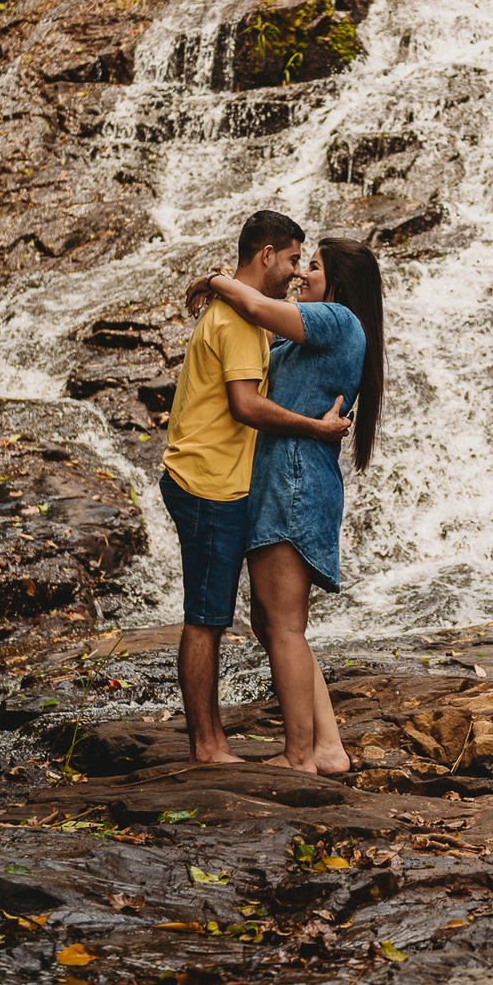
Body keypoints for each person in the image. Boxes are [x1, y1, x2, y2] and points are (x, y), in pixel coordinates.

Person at [186, 237, 384, 776]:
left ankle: (299, 757)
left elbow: (253, 305)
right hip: (282, 483)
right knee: (276, 624)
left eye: (312, 268)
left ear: (337, 284)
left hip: (294, 484)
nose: (302, 277)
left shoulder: (338, 320)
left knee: (285, 628)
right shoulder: (314, 334)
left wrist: (213, 281)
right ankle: (327, 748)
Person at [161, 210, 350, 764]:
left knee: (224, 615)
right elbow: (245, 406)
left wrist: (214, 278)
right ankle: (208, 745)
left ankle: (233, 741)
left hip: (216, 479)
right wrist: (316, 428)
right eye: (294, 259)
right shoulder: (241, 320)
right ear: (266, 254)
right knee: (207, 617)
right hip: (209, 482)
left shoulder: (240, 312)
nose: (296, 273)